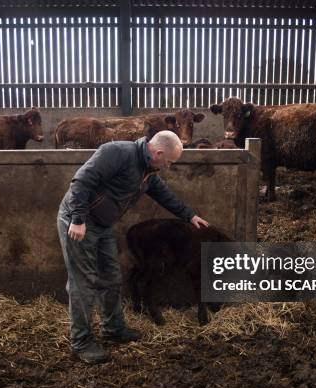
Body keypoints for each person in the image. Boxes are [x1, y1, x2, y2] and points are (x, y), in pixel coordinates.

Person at [57, 130, 209, 364]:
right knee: (83, 281)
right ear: (158, 153)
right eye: (169, 161)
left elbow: (162, 194)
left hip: (102, 224)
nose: (168, 166)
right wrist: (77, 219)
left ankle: (113, 328)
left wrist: (189, 215)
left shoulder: (148, 171)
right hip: (79, 221)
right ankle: (81, 341)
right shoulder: (117, 152)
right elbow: (80, 181)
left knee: (112, 276)